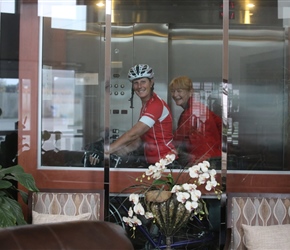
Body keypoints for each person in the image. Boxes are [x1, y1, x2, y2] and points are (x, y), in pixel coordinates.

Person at [105, 64, 177, 165]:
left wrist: (107, 150)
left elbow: (134, 134)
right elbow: (139, 139)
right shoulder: (146, 106)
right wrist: (119, 150)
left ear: (151, 83)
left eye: (143, 82)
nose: (139, 86)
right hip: (154, 163)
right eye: (136, 83)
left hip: (166, 161)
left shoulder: (156, 105)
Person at [169, 76, 222, 167]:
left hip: (203, 161)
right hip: (213, 158)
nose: (175, 94)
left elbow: (177, 140)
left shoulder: (191, 112)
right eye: (173, 91)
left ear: (190, 92)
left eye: (179, 91)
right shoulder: (199, 107)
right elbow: (221, 124)